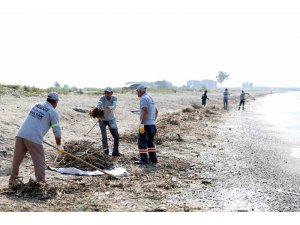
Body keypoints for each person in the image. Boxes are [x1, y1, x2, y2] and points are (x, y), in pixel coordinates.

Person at [9, 92, 63, 186]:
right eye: (57, 102)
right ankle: (41, 183)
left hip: (21, 134)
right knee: (39, 161)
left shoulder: (36, 105)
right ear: (55, 102)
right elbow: (57, 131)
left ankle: (12, 181)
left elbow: (34, 121)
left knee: (16, 160)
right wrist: (59, 146)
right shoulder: (52, 112)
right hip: (34, 138)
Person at [135, 85, 158, 164]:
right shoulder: (150, 97)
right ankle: (153, 158)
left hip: (146, 124)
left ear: (140, 91)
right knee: (150, 142)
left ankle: (144, 160)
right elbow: (156, 111)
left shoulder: (143, 98)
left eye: (137, 91)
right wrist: (152, 121)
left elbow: (145, 111)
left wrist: (142, 124)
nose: (137, 93)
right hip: (152, 124)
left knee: (142, 142)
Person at [97, 87, 120, 156]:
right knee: (104, 136)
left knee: (116, 136)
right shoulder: (102, 98)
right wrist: (99, 107)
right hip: (102, 120)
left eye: (108, 93)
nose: (107, 94)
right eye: (105, 93)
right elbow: (99, 104)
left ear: (112, 93)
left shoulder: (114, 98)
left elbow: (114, 105)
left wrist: (111, 107)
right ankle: (105, 152)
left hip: (111, 120)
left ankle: (115, 152)